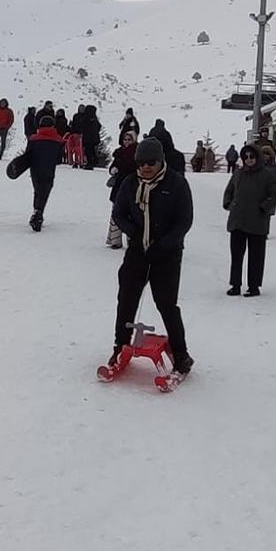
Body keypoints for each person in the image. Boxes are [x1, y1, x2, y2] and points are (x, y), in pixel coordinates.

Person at [109, 137, 195, 375]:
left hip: (166, 254)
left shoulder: (176, 184)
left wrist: (165, 244)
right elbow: (119, 213)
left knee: (166, 304)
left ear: (161, 161)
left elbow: (184, 219)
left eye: (151, 162)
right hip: (138, 250)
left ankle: (181, 355)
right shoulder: (130, 183)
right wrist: (133, 233)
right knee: (126, 298)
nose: (145, 167)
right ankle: (120, 346)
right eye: (140, 163)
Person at [223, 144, 276, 297]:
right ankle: (235, 284)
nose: (249, 160)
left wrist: (264, 208)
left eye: (252, 156)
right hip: (238, 220)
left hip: (257, 221)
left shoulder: (268, 175)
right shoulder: (238, 173)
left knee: (256, 257)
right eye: (246, 157)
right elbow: (229, 190)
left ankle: (254, 286)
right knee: (236, 256)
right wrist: (228, 203)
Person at [22, 115, 66, 231]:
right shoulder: (58, 140)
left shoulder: (33, 139)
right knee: (44, 192)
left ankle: (37, 212)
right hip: (49, 170)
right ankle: (38, 213)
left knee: (37, 191)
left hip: (35, 169)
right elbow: (59, 160)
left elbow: (28, 156)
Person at [107, 131, 138, 248]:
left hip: (132, 187)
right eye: (125, 139)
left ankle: (132, 239)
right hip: (119, 187)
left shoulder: (137, 153)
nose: (127, 142)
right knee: (116, 213)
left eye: (129, 139)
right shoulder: (119, 153)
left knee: (132, 214)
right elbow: (113, 165)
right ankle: (115, 240)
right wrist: (113, 170)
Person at [81, 105, 101, 170]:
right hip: (94, 138)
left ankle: (90, 163)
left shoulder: (86, 118)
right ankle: (93, 160)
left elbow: (82, 126)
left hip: (88, 138)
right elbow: (99, 126)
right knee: (91, 149)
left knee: (88, 150)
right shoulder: (94, 119)